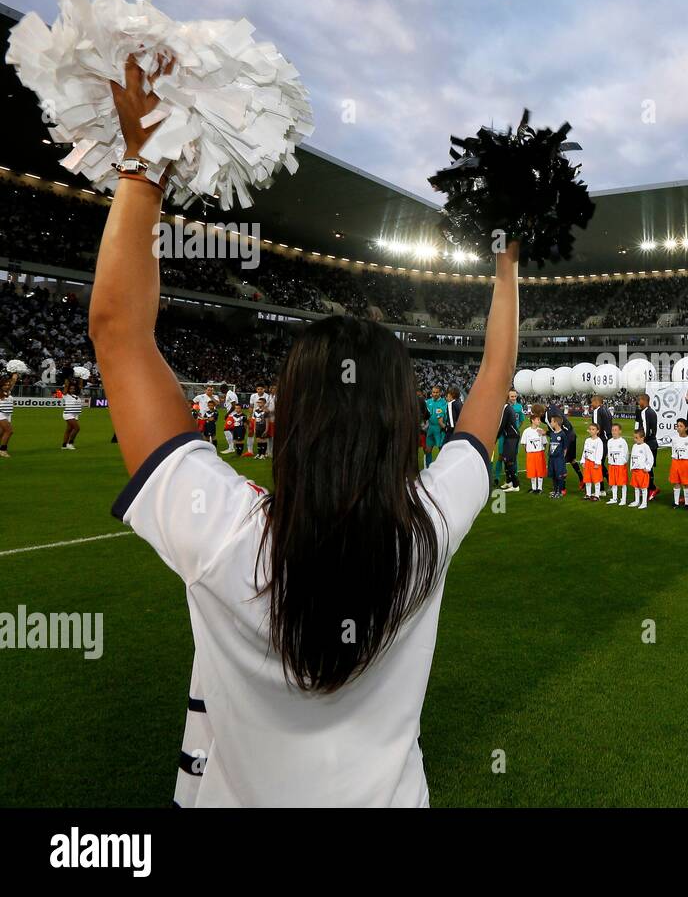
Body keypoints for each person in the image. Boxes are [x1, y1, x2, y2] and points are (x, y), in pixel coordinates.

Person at [91, 58, 517, 807]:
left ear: (288, 420)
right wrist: (506, 264)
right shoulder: (427, 531)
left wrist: (144, 162)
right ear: (405, 427)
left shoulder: (222, 530)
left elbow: (119, 334)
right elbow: (492, 378)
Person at [635, 393, 659, 499]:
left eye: (639, 400)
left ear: (644, 400)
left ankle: (652, 489)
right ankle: (648, 488)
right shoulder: (651, 412)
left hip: (648, 443)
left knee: (647, 467)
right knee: (648, 467)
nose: (638, 403)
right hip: (652, 442)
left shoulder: (645, 412)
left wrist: (640, 440)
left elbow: (645, 429)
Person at [496, 392, 521, 492]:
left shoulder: (506, 408)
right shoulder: (506, 408)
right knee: (506, 460)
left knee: (509, 461)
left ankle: (515, 485)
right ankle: (509, 482)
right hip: (509, 437)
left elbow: (502, 425)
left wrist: (495, 438)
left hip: (512, 437)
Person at [669, 418, 688, 510]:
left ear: (686, 428)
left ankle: (687, 503)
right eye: (678, 426)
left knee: (685, 483)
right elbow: (673, 450)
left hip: (685, 463)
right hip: (675, 462)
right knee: (676, 483)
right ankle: (676, 502)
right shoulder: (675, 439)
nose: (679, 428)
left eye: (681, 426)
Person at [546, 414, 574, 499]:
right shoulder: (552, 434)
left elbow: (565, 448)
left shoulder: (562, 434)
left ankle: (560, 491)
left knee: (559, 475)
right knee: (553, 475)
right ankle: (555, 490)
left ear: (556, 423)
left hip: (559, 459)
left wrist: (562, 458)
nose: (550, 423)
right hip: (552, 458)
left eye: (551, 421)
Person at [520, 412, 548, 494]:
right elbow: (524, 443)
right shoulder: (526, 431)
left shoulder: (541, 431)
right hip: (530, 454)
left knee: (540, 471)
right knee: (532, 471)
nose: (539, 421)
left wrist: (541, 450)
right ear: (532, 420)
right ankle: (533, 488)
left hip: (539, 453)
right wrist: (529, 450)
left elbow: (545, 443)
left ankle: (539, 488)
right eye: (538, 420)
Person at [629, 429, 654, 510]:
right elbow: (632, 458)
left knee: (643, 488)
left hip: (642, 471)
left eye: (636, 438)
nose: (634, 439)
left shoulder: (646, 447)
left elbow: (650, 458)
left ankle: (644, 503)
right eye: (634, 437)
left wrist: (647, 467)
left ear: (642, 438)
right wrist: (631, 467)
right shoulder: (634, 446)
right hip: (635, 471)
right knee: (636, 487)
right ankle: (636, 501)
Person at [605, 422, 629, 506]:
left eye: (616, 430)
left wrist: (622, 462)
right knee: (613, 482)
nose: (614, 432)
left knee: (622, 483)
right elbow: (609, 452)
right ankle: (614, 498)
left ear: (620, 431)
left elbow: (626, 454)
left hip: (620, 465)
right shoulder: (609, 441)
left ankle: (623, 499)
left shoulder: (622, 442)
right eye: (612, 430)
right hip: (612, 465)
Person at [60, 375, 86, 451]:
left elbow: (80, 386)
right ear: (68, 389)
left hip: (75, 414)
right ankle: (70, 443)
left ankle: (64, 445)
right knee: (77, 428)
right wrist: (67, 380)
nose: (72, 390)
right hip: (68, 414)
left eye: (73, 389)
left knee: (68, 430)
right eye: (71, 389)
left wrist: (81, 376)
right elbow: (66, 386)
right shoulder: (65, 395)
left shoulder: (76, 395)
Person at [591, 394, 612, 480]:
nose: (591, 404)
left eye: (592, 402)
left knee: (597, 463)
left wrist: (593, 439)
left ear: (597, 402)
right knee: (600, 463)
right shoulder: (607, 410)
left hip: (601, 440)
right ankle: (609, 479)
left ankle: (601, 488)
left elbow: (596, 428)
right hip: (608, 440)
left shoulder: (597, 411)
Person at [581, 423, 605, 500]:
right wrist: (583, 461)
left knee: (596, 479)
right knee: (587, 479)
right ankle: (588, 494)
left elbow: (599, 453)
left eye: (593, 429)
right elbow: (584, 451)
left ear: (597, 431)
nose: (591, 431)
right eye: (590, 429)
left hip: (594, 463)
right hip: (587, 462)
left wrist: (597, 463)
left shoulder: (599, 441)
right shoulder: (587, 440)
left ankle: (597, 495)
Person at [0, 366, 20, 457]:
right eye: (5, 385)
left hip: (8, 414)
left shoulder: (9, 391)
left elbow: (14, 380)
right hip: (1, 414)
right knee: (9, 431)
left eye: (8, 384)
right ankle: (3, 450)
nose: (7, 386)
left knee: (2, 432)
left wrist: (16, 370)